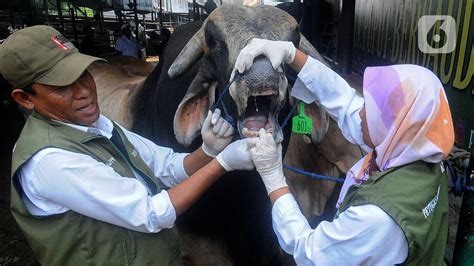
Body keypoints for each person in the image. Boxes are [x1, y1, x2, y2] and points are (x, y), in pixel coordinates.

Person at [0, 25, 254, 265]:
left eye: (83, 75)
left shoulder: (99, 124)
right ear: (25, 99)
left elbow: (165, 165)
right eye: (61, 86)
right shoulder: (49, 160)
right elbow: (150, 213)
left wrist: (208, 151)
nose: (84, 92)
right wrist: (222, 164)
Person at [234, 38, 455, 265]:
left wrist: (273, 177)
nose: (360, 112)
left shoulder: (377, 217)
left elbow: (310, 253)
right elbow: (346, 102)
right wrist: (292, 54)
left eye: (370, 108)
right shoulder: (419, 148)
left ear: (396, 126)